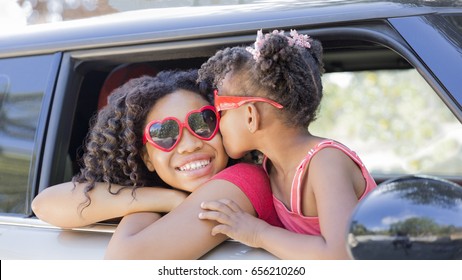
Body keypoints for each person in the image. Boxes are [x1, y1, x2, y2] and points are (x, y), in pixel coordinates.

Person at [32, 69, 282, 259]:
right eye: (165, 133)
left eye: (202, 123)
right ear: (147, 158)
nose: (189, 144)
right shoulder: (169, 194)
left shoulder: (243, 182)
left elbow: (125, 262)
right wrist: (168, 199)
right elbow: (44, 204)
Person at [197, 29, 377, 259]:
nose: (216, 124)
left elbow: (341, 256)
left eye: (220, 111)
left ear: (251, 116)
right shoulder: (269, 167)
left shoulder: (325, 162)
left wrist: (258, 233)